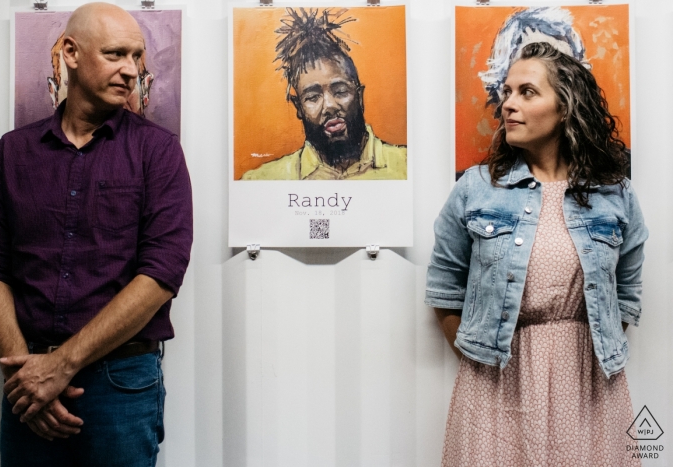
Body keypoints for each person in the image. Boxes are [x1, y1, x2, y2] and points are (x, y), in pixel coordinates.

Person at [0, 3, 192, 466]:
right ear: (70, 53)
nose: (130, 70)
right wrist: (27, 377)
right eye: (115, 54)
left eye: (136, 57)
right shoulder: (14, 152)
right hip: (27, 381)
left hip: (122, 383)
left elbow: (162, 273)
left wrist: (60, 366)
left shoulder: (158, 152)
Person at [426, 42, 647, 466]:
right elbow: (444, 290)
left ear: (565, 107)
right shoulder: (475, 188)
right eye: (507, 92)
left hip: (588, 382)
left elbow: (628, 292)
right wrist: (483, 359)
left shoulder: (614, 193)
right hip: (495, 382)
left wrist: (585, 346)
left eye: (527, 92)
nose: (509, 104)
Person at [241, 8, 406, 181]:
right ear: (299, 107)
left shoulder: (406, 165)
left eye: (340, 91)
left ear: (359, 96)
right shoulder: (262, 180)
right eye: (313, 97)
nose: (329, 106)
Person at [47, 30, 154, 115]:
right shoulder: (31, 140)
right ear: (53, 93)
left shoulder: (159, 141)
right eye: (72, 83)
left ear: (145, 87)